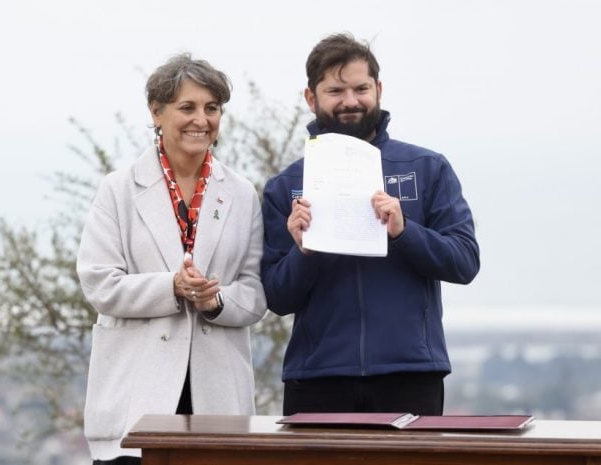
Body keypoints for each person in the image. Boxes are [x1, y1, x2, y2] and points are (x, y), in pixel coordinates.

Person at [261, 33, 480, 416]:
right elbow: (277, 298)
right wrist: (304, 250)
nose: (350, 101)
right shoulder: (285, 188)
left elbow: (464, 262)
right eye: (335, 90)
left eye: (361, 88)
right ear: (311, 98)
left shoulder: (427, 168)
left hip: (410, 374)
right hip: (316, 379)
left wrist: (403, 231)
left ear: (378, 89)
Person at [76, 53, 267, 464]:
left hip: (217, 406)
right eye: (187, 107)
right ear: (156, 112)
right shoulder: (118, 190)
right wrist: (171, 287)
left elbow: (255, 293)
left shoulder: (242, 193)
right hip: (135, 399)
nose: (202, 119)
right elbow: (99, 284)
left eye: (212, 108)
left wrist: (215, 302)